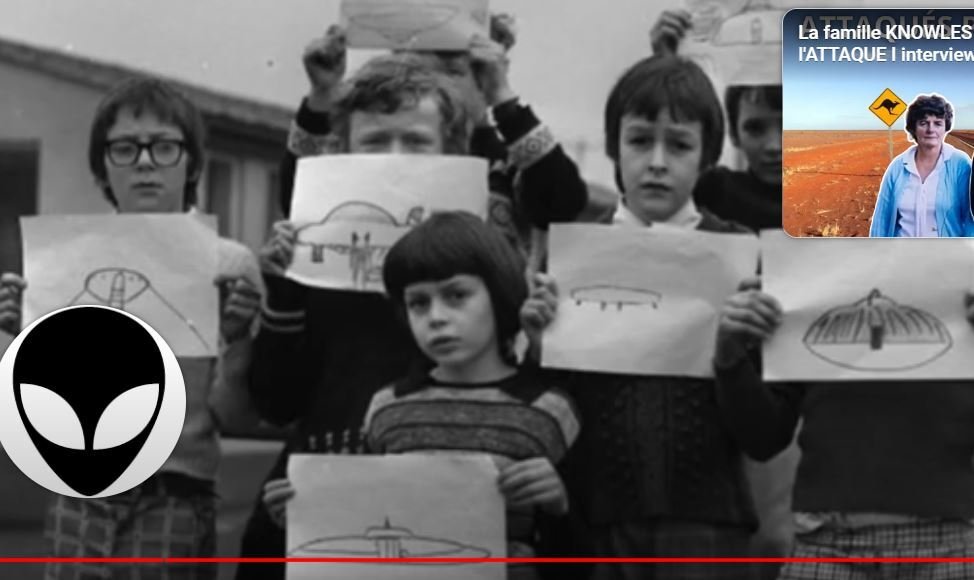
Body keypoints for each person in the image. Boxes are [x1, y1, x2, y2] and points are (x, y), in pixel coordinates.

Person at [236, 48, 586, 579]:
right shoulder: (316, 252)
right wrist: (283, 289)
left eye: (416, 141)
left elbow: (562, 198)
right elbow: (275, 400)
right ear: (344, 153)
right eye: (376, 141)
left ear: (453, 154)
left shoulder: (482, 259)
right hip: (327, 497)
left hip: (454, 513)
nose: (395, 157)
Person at [0, 77, 264, 579]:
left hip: (174, 488)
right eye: (124, 148)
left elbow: (235, 414)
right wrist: (18, 339)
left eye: (163, 147)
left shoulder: (227, 263)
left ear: (192, 163)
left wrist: (237, 338)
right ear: (102, 166)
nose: (144, 163)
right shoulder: (65, 260)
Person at [531, 54, 757, 580]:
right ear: (614, 147)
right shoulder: (572, 259)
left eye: (678, 145)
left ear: (707, 157)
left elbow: (764, 432)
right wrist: (537, 345)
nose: (657, 162)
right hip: (594, 522)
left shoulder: (738, 257)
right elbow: (551, 407)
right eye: (639, 141)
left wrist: (734, 356)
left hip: (708, 524)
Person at [262, 211, 579, 580]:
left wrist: (559, 504)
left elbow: (579, 554)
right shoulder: (387, 407)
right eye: (418, 303)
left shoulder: (549, 409)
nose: (436, 317)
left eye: (457, 295)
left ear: (500, 293)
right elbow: (373, 516)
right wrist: (306, 512)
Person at [715, 278, 974, 580]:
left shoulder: (962, 272)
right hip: (828, 542)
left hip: (951, 539)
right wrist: (731, 350)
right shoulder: (807, 274)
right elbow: (763, 439)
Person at [649, 9, 782, 232]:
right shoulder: (715, 191)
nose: (774, 146)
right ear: (734, 134)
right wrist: (664, 67)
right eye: (755, 129)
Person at [870, 93, 972, 237]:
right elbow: (882, 221)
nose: (931, 129)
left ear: (946, 127)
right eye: (923, 123)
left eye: (938, 123)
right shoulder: (897, 167)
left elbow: (970, 218)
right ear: (914, 128)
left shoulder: (960, 164)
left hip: (946, 251)